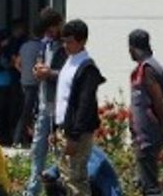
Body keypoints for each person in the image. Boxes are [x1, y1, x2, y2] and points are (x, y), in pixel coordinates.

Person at [127, 30, 163, 196]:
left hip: (149, 136)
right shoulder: (144, 68)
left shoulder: (148, 69)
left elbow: (159, 101)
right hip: (144, 136)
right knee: (143, 183)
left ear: (132, 48)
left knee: (150, 187)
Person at [56, 19, 105, 196]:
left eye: (70, 41)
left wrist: (74, 136)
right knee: (65, 177)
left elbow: (85, 105)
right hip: (64, 127)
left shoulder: (87, 67)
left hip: (77, 132)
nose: (66, 45)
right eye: (64, 41)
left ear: (82, 41)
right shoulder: (69, 62)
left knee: (76, 178)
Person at [25, 7, 66, 195]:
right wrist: (38, 70)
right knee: (37, 150)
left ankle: (59, 189)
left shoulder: (67, 46)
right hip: (43, 104)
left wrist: (50, 73)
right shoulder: (45, 45)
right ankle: (33, 190)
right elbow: (40, 66)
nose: (49, 34)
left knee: (60, 151)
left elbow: (70, 75)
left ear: (58, 24)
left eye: (51, 29)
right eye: (46, 31)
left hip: (60, 106)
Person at [41, 146, 125, 196]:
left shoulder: (92, 151)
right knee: (52, 184)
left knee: (71, 183)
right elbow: (57, 168)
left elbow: (90, 175)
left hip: (103, 192)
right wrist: (48, 174)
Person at [13, 19, 45, 148]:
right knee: (32, 111)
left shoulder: (24, 46)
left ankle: (22, 138)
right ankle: (19, 139)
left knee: (27, 110)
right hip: (36, 83)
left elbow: (17, 63)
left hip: (24, 82)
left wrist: (24, 72)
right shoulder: (41, 47)